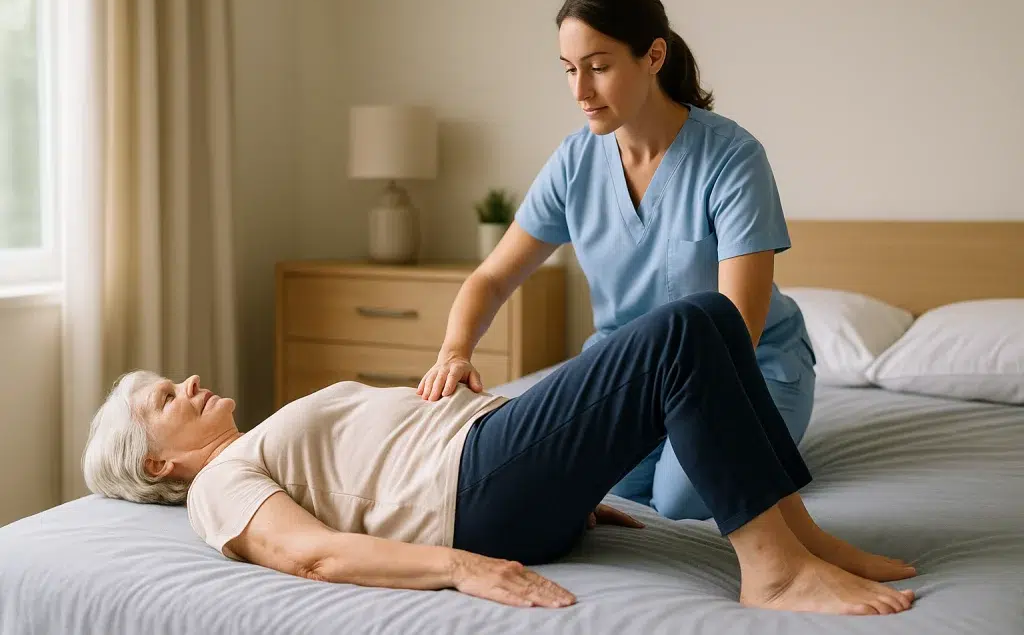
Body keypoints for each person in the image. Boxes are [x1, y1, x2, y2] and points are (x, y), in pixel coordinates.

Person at [83, 293, 915, 615]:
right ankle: (770, 570)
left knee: (720, 322)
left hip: (499, 465)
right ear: (160, 463)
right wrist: (457, 567)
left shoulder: (248, 445)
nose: (185, 381)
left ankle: (799, 536)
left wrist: (570, 485)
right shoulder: (219, 485)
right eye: (165, 399)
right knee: (684, 326)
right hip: (476, 488)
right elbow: (310, 553)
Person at [418, 0, 817, 523]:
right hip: (627, 374)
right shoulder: (575, 162)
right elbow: (490, 279)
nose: (580, 91)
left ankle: (776, 437)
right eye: (568, 70)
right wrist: (455, 353)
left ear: (653, 56)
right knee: (597, 491)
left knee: (680, 503)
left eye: (599, 67)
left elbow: (737, 332)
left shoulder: (731, 159)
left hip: (745, 369)